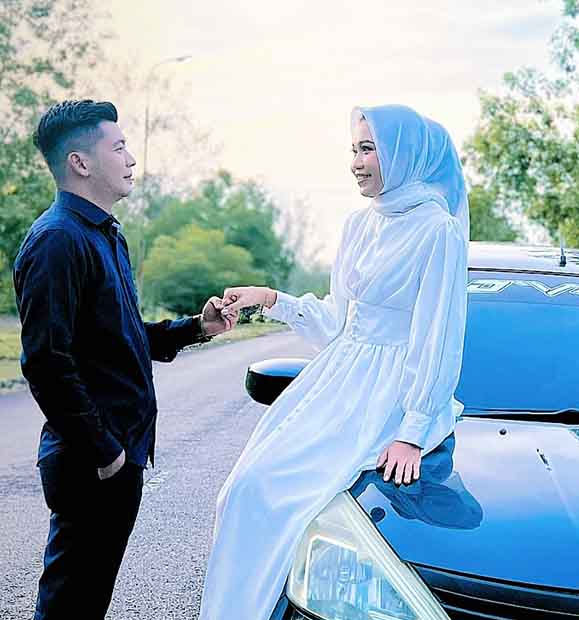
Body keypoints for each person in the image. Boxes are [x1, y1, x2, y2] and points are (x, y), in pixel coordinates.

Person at [197, 104, 469, 619]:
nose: (356, 162)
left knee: (301, 505)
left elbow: (439, 335)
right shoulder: (358, 224)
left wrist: (412, 431)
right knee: (245, 489)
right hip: (338, 383)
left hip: (389, 396)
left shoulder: (438, 230)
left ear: (403, 155)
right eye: (354, 149)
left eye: (369, 150)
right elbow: (335, 323)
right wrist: (270, 298)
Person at [12, 99, 238, 620]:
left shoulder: (103, 234)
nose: (132, 158)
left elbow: (121, 336)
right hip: (92, 461)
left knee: (86, 602)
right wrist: (105, 452)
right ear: (80, 163)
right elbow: (46, 362)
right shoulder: (57, 241)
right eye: (118, 147)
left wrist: (196, 327)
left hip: (116, 456)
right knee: (68, 605)